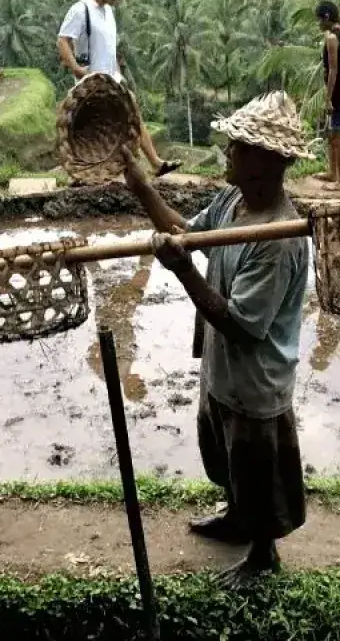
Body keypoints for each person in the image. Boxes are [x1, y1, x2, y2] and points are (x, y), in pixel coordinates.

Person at [121, 91, 312, 585]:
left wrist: (183, 271)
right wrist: (140, 186)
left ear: (268, 161)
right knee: (225, 450)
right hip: (222, 367)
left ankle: (262, 556)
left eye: (238, 146)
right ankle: (235, 519)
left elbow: (242, 327)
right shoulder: (233, 200)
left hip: (255, 376)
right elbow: (186, 232)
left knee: (254, 465)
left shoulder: (277, 237)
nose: (227, 152)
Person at [57, 0, 180, 179]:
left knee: (132, 118)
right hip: (91, 83)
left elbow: (108, 45)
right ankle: (85, 175)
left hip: (112, 79)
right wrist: (76, 68)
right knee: (94, 131)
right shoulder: (81, 10)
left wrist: (117, 71)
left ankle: (154, 162)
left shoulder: (109, 12)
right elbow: (62, 40)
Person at [314, 1, 340, 192]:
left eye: (319, 20)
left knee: (338, 138)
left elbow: (333, 70)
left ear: (326, 18)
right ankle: (333, 173)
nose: (318, 25)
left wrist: (328, 98)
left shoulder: (332, 38)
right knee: (332, 135)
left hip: (339, 91)